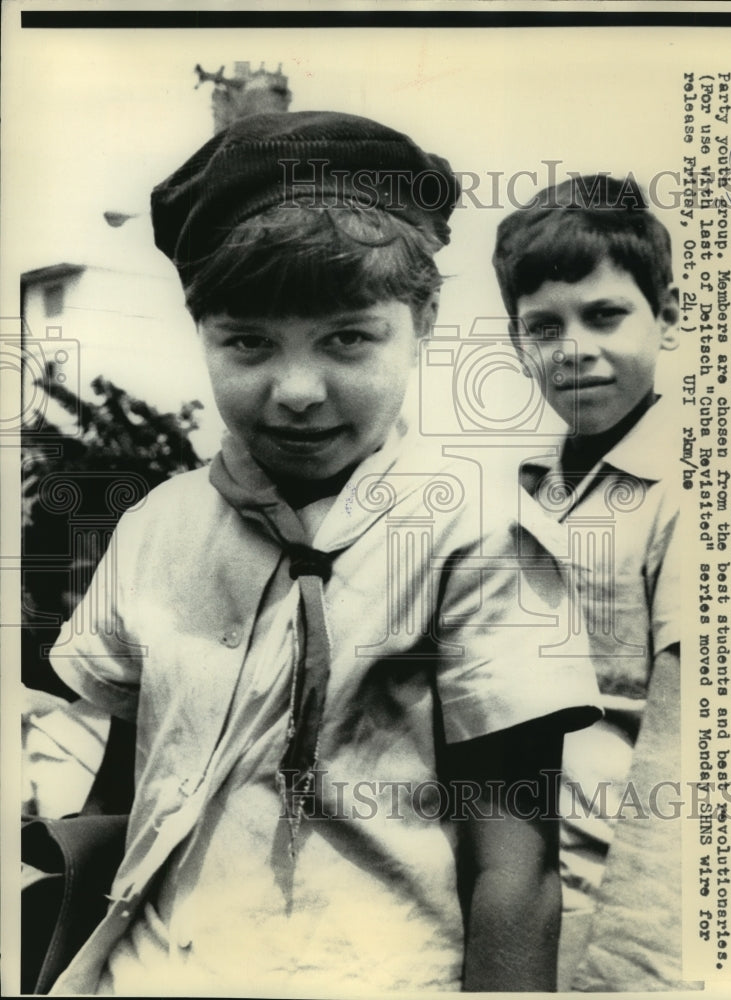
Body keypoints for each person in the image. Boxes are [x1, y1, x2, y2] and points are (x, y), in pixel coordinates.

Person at [46, 111, 601, 995]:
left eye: (347, 337)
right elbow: (122, 796)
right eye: (248, 343)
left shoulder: (481, 532)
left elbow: (517, 874)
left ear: (419, 324)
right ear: (203, 333)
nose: (297, 391)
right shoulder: (156, 527)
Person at [492, 175, 683, 989]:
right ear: (516, 340)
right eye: (544, 326)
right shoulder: (516, 485)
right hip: (504, 893)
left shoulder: (695, 485)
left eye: (605, 315)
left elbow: (685, 760)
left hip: (612, 911)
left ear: (668, 314)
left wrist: (623, 975)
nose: (573, 348)